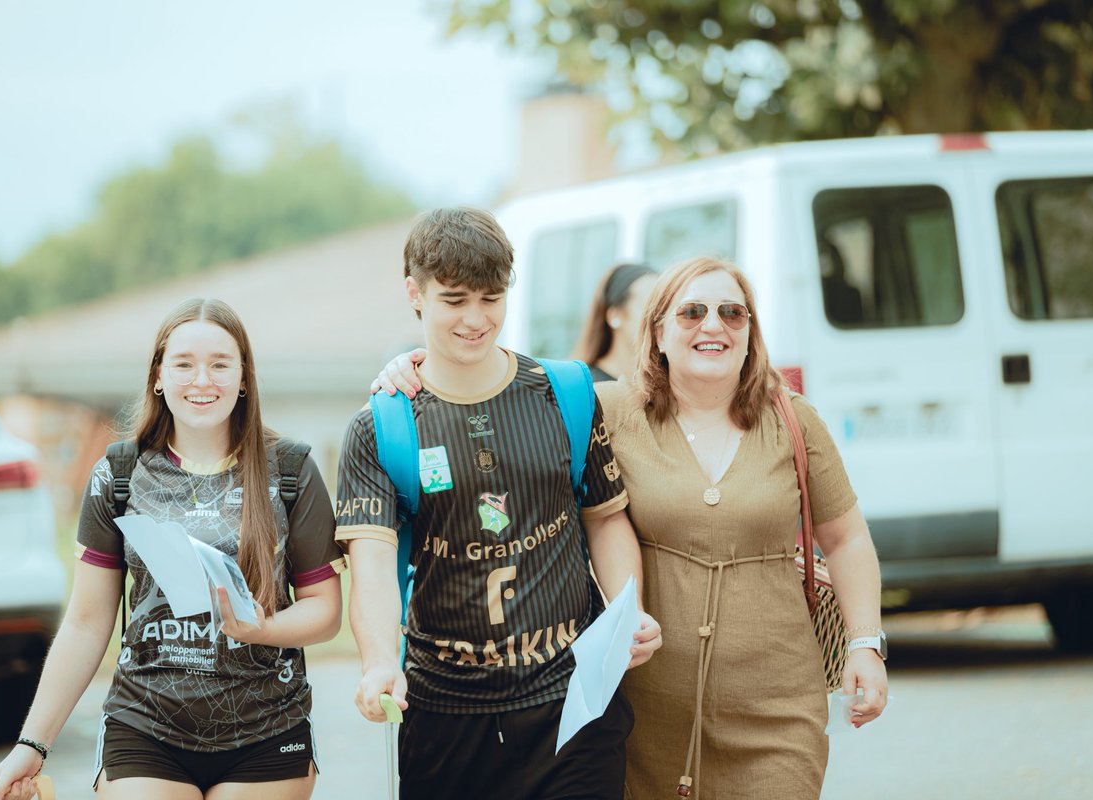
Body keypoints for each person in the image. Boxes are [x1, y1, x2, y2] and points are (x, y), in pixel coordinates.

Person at [376, 255, 889, 798]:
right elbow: (498, 390)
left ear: (750, 334)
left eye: (732, 314)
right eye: (691, 312)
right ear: (659, 331)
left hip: (777, 709)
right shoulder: (607, 411)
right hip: (644, 711)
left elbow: (847, 539)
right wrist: (414, 366)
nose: (713, 325)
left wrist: (865, 646)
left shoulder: (793, 418)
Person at [335, 207, 661, 799]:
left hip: (573, 701)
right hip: (443, 714)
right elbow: (373, 569)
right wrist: (379, 661)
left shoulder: (566, 394)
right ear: (415, 293)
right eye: (454, 300)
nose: (476, 319)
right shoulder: (379, 427)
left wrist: (626, 611)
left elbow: (607, 519)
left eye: (491, 297)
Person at [0, 298, 344, 800]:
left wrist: (264, 629)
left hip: (266, 729)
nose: (203, 380)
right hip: (145, 725)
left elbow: (326, 611)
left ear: (244, 378)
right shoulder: (119, 475)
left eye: (220, 364)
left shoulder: (291, 470)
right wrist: (31, 745)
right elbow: (87, 623)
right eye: (184, 364)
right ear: (158, 376)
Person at [572, 262, 658, 382]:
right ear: (615, 315)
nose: (658, 318)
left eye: (663, 308)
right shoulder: (582, 387)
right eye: (648, 307)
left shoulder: (663, 390)